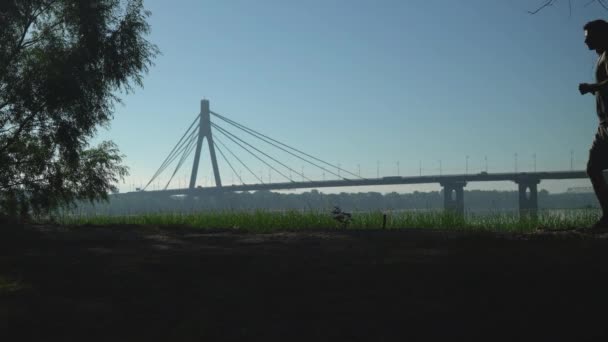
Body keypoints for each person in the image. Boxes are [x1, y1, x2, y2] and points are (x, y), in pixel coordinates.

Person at [581, 19, 608, 231]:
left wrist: (593, 86)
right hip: (603, 125)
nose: (585, 42)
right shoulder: (601, 56)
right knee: (593, 168)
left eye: (588, 37)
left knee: (593, 168)